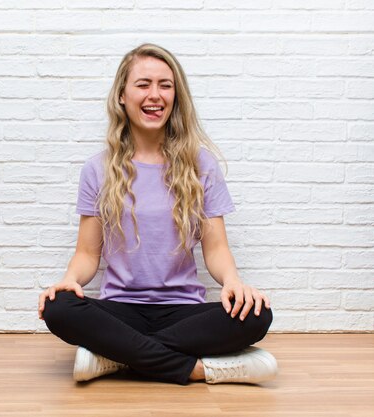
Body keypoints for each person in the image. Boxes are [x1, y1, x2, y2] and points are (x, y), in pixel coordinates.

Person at [37, 43, 278, 385]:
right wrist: (70, 280)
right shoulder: (98, 169)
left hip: (183, 312)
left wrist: (234, 283)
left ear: (176, 96)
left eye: (165, 85)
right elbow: (87, 253)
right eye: (143, 84)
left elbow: (216, 248)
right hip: (120, 310)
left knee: (257, 315)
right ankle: (198, 369)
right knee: (58, 308)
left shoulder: (202, 166)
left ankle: (114, 358)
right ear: (122, 95)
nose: (155, 95)